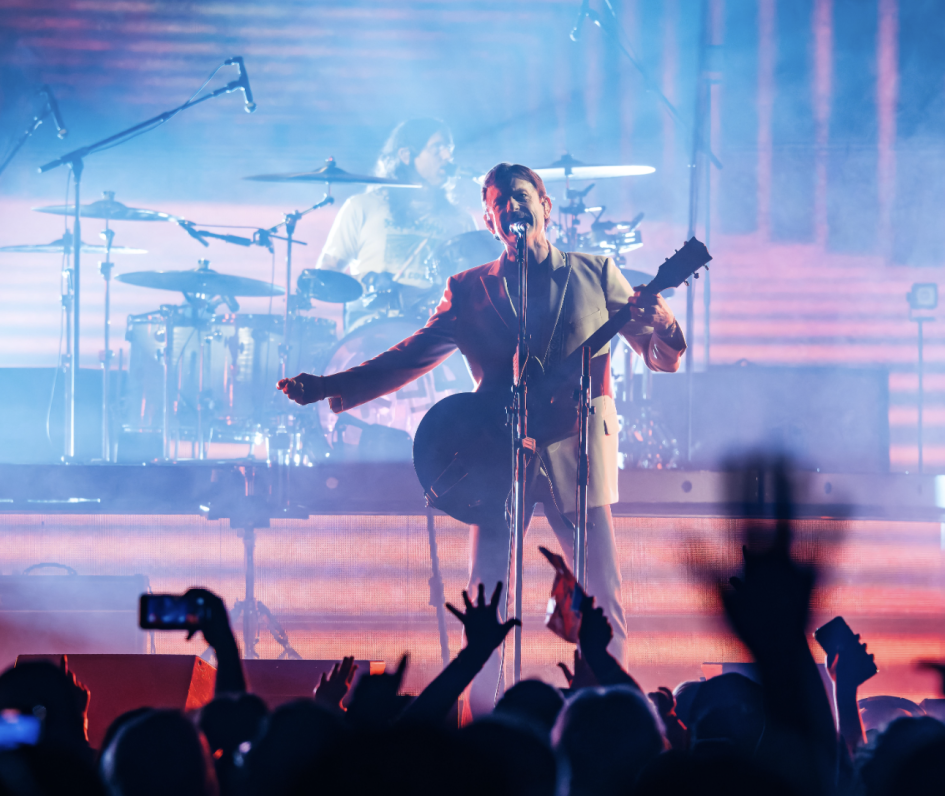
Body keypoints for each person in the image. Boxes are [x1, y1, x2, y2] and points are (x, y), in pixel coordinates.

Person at [279, 162, 686, 712]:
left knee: (601, 600)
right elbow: (410, 356)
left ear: (544, 205)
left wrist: (661, 322)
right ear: (489, 220)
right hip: (496, 462)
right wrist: (331, 385)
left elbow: (661, 356)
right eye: (498, 201)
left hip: (577, 453)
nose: (510, 207)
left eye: (521, 196)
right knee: (486, 603)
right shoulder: (469, 289)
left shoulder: (595, 272)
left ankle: (611, 721)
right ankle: (486, 729)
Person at [315, 118, 476, 332]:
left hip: (433, 337)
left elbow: (473, 290)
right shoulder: (363, 206)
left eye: (449, 149)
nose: (447, 156)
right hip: (371, 332)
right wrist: (366, 281)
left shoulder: (460, 220)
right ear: (406, 155)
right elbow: (327, 273)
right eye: (437, 148)